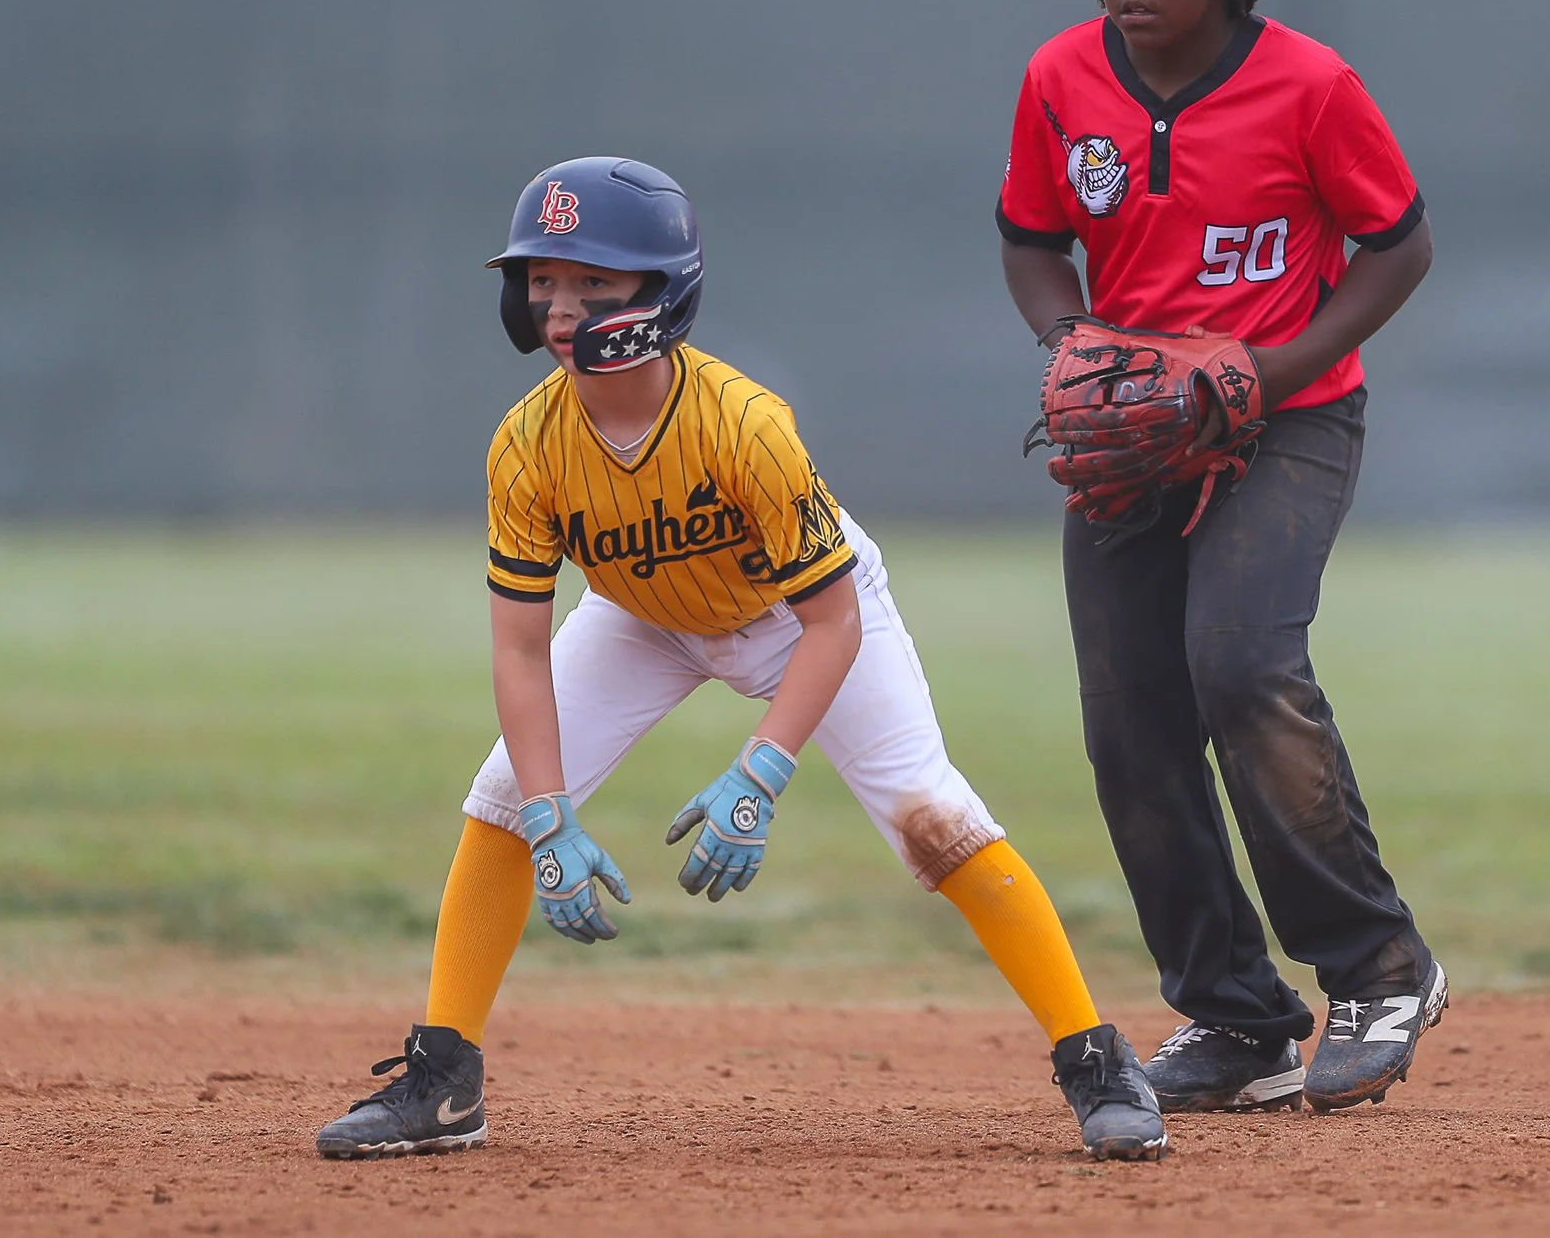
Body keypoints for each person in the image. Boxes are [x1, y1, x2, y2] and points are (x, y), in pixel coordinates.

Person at [316, 156, 1164, 1162]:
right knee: (501, 801)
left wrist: (761, 770)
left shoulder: (744, 425)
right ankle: (444, 1079)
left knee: (931, 816)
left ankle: (1096, 1058)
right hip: (639, 613)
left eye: (594, 283)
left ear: (662, 294)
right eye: (543, 279)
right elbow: (518, 645)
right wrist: (548, 811)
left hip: (796, 612)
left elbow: (834, 624)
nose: (558, 304)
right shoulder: (527, 445)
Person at [995, 0, 1445, 1115]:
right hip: (1133, 423)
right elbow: (1032, 236)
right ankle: (1237, 1014)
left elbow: (1400, 248)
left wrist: (1269, 370)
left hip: (1289, 415)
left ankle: (1378, 964)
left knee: (1240, 661)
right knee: (1130, 720)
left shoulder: (1308, 85)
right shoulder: (1060, 81)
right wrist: (1070, 338)